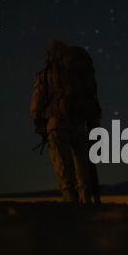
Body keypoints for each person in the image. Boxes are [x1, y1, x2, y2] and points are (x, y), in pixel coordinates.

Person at [29, 40, 101, 204]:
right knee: (82, 162)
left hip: (57, 123)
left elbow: (36, 104)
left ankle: (71, 200)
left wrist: (39, 124)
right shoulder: (80, 73)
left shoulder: (47, 73)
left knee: (62, 164)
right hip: (79, 122)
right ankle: (86, 199)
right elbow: (92, 97)